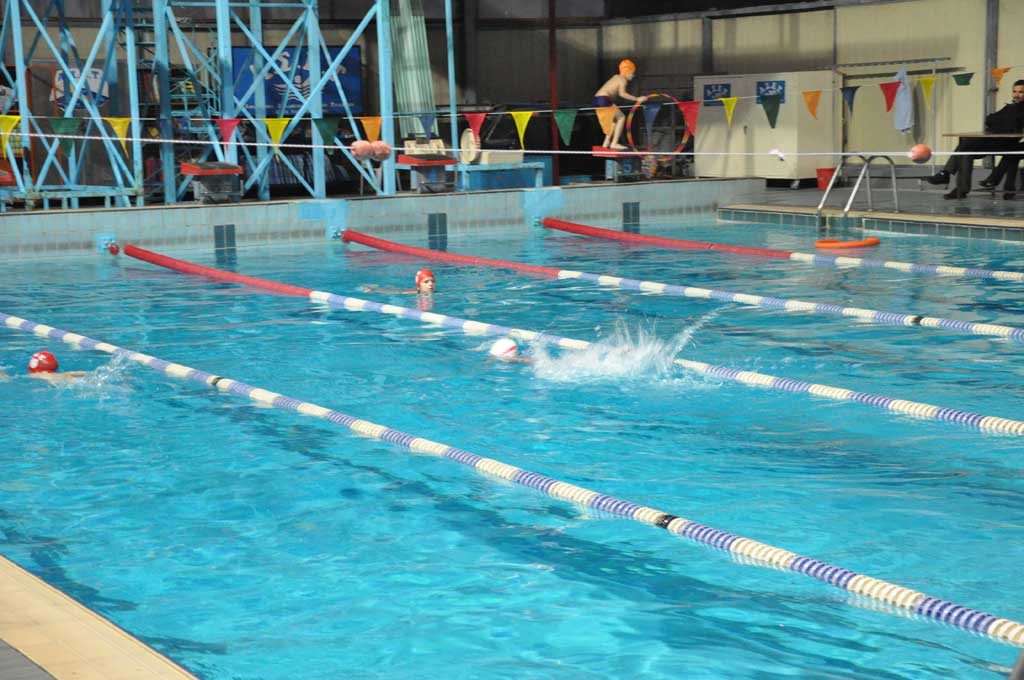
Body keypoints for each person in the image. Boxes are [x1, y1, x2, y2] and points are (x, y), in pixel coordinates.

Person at [927, 79, 1024, 200]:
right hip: (994, 140)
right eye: (1014, 91)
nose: (1016, 95)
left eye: (1021, 92)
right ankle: (959, 187)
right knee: (965, 149)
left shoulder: (1014, 107)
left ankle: (947, 176)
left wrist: (1005, 117)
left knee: (965, 146)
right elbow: (989, 119)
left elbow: (1011, 124)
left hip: (1006, 143)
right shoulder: (1011, 106)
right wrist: (1003, 118)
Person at [593, 59, 648, 150]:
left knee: (614, 121)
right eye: (632, 73)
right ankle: (614, 143)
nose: (633, 76)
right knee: (621, 118)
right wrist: (637, 99)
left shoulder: (615, 77)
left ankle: (606, 143)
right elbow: (622, 94)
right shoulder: (623, 80)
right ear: (627, 72)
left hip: (597, 99)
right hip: (604, 99)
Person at [359, 269, 436, 295]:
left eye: (432, 281)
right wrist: (374, 291)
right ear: (419, 285)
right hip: (398, 290)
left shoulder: (437, 293)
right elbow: (395, 292)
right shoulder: (413, 292)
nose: (430, 284)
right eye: (426, 282)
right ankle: (374, 287)